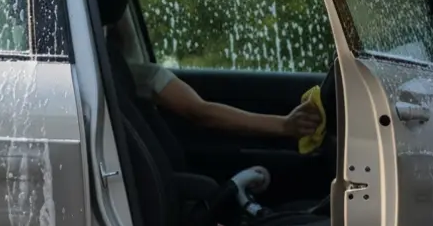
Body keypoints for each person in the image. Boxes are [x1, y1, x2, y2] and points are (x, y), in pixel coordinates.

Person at [110, 10, 323, 140]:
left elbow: (199, 110)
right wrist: (284, 125)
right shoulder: (126, 74)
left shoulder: (119, 70)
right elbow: (200, 112)